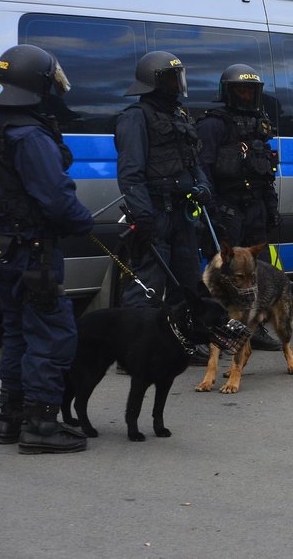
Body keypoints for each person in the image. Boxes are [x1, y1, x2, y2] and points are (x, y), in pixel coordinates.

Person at [0, 44, 93, 453]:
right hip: (33, 249)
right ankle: (40, 426)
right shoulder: (29, 135)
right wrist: (83, 222)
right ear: (38, 86)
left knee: (16, 331)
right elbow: (57, 199)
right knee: (51, 333)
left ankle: (10, 419)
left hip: (1, 243)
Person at [115, 51, 213, 362]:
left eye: (178, 77)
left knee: (186, 283)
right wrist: (144, 219)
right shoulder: (136, 117)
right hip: (155, 211)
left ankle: (180, 344)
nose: (177, 84)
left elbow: (193, 161)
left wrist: (203, 187)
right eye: (170, 78)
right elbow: (130, 173)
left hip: (182, 213)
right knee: (148, 286)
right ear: (153, 82)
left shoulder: (179, 115)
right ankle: (132, 352)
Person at [196, 64, 282, 350]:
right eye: (241, 89)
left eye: (252, 90)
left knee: (257, 272)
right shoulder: (213, 125)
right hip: (227, 207)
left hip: (255, 206)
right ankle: (219, 332)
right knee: (225, 277)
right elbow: (203, 169)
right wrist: (213, 209)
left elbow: (265, 170)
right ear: (228, 92)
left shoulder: (260, 122)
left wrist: (270, 207)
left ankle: (255, 329)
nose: (247, 95)